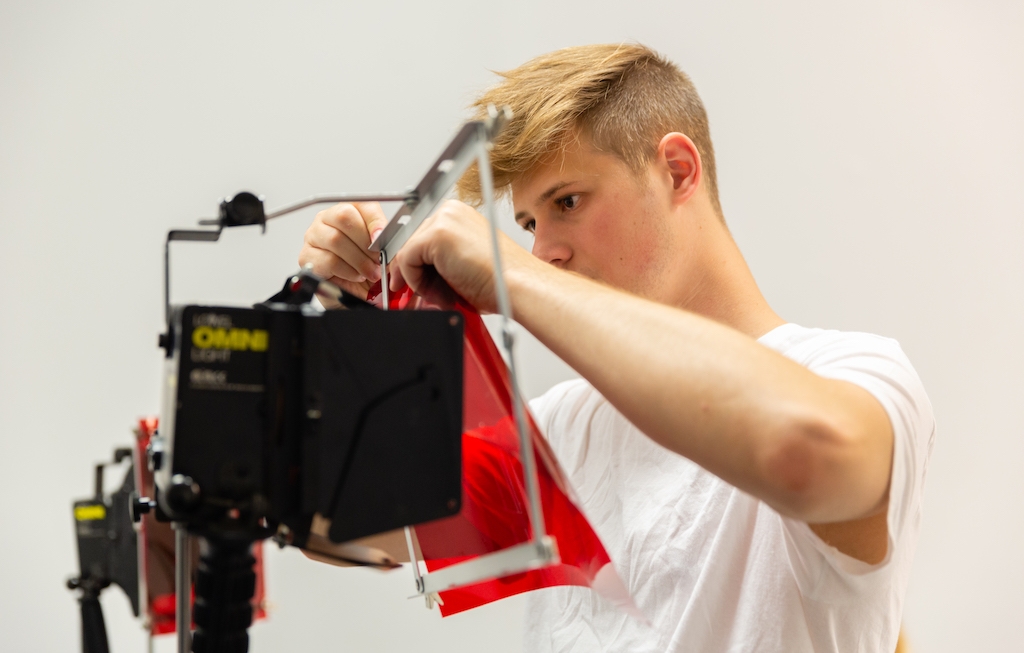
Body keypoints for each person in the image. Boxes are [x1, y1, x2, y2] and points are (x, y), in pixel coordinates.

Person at [298, 43, 934, 653]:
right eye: (527, 226)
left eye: (567, 202)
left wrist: (514, 277)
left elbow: (804, 455)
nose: (543, 249)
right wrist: (353, 326)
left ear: (677, 170)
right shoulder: (561, 428)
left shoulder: (857, 373)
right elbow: (339, 512)